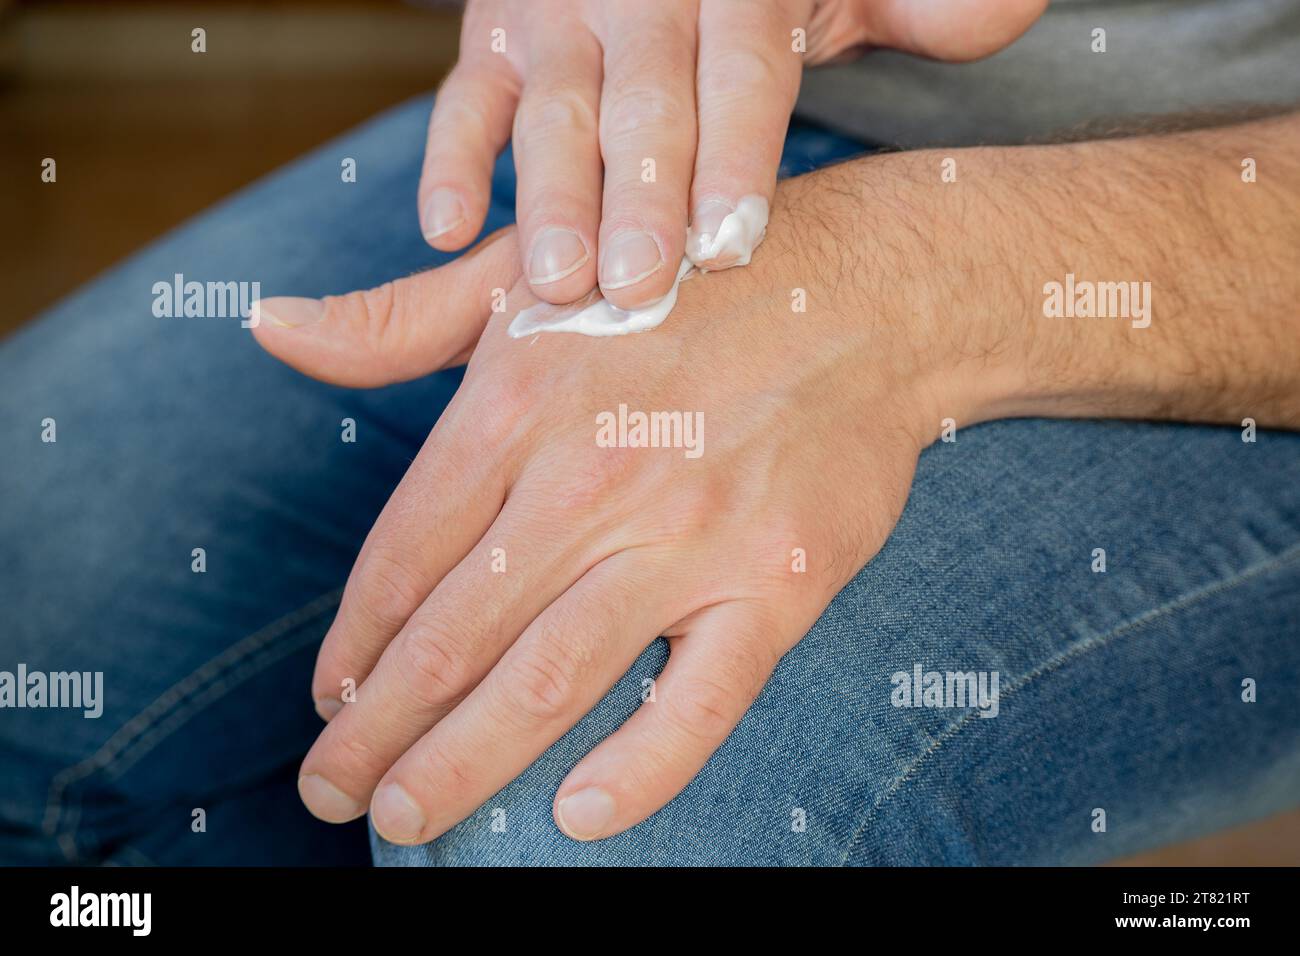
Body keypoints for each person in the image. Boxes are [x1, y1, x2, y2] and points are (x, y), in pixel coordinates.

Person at [2, 0, 1297, 867]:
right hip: (721, 112)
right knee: (33, 616)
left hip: (1228, 238)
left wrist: (911, 288)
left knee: (557, 823)